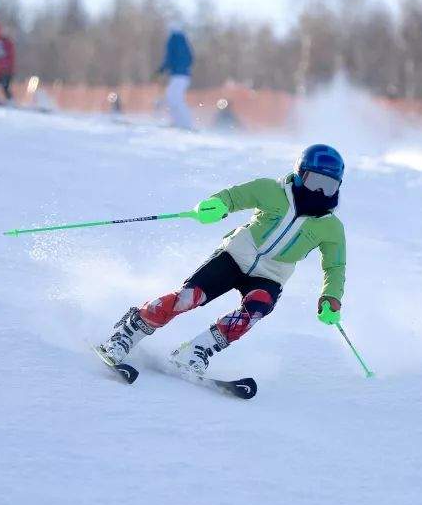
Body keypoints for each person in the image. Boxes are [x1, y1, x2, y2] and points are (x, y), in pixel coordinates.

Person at [98, 144, 348, 375]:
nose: (320, 192)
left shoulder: (332, 228)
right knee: (188, 297)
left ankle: (195, 351)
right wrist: (214, 206)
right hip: (235, 256)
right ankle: (128, 332)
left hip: (271, 275)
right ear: (300, 174)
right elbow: (233, 197)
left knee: (256, 310)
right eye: (315, 181)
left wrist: (331, 297)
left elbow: (335, 266)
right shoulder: (270, 190)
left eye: (329, 186)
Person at [157, 25, 194, 128]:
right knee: (174, 98)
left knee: (174, 98)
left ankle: (185, 123)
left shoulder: (173, 39)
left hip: (178, 75)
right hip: (184, 75)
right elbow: (190, 58)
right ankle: (181, 122)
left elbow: (170, 57)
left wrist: (162, 69)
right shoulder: (184, 40)